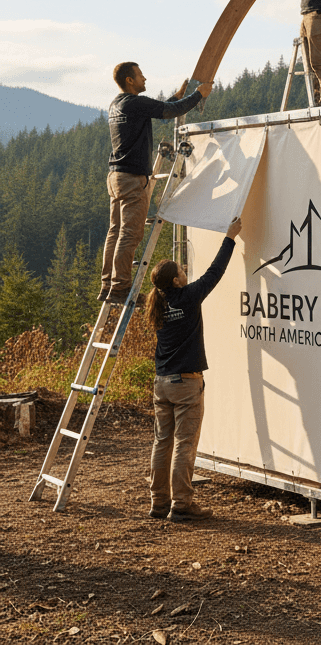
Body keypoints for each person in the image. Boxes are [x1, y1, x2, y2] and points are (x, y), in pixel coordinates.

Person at [145, 216, 243, 521]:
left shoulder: (158, 303)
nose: (186, 272)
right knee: (185, 445)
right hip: (187, 384)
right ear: (176, 281)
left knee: (162, 442)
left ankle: (159, 503)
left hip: (161, 383)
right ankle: (182, 505)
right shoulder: (188, 298)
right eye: (182, 271)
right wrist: (229, 237)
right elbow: (215, 272)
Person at [101, 64, 212, 305]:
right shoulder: (135, 103)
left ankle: (107, 284)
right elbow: (169, 112)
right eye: (140, 75)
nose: (145, 78)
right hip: (132, 178)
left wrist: (177, 98)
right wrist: (198, 95)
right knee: (130, 234)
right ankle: (120, 289)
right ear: (130, 80)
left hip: (116, 176)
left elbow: (163, 109)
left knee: (115, 231)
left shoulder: (117, 105)